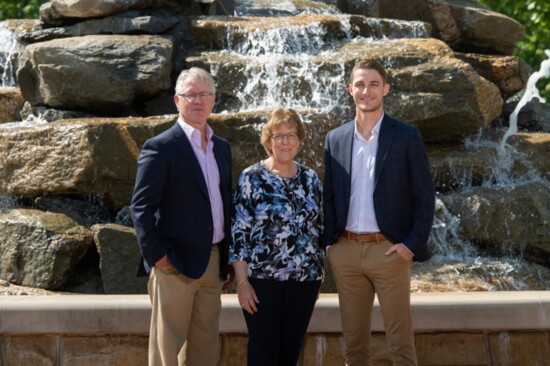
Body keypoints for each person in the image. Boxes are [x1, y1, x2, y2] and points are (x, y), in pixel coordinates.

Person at [322, 59, 435, 365]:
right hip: (346, 252)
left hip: (389, 252)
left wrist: (410, 246)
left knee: (400, 344)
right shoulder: (336, 138)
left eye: (373, 84)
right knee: (354, 347)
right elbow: (329, 196)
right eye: (359, 84)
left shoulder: (406, 136)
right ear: (350, 90)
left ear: (385, 89)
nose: (366, 91)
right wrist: (331, 245)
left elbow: (425, 197)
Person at [130, 67, 233, 366]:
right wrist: (159, 260)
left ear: (214, 100)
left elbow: (225, 203)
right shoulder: (161, 147)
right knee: (166, 354)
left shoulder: (222, 148)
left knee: (204, 349)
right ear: (177, 100)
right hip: (174, 265)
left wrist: (225, 260)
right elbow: (141, 208)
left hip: (212, 264)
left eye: (204, 94)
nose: (198, 101)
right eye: (191, 95)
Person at [230, 108, 324, 366]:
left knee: (290, 355)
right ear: (268, 140)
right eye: (278, 135)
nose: (285, 141)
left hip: (304, 281)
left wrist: (318, 276)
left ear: (299, 139)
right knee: (263, 353)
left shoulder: (310, 179)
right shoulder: (251, 178)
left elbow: (317, 229)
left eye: (291, 135)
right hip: (262, 283)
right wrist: (242, 283)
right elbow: (239, 233)